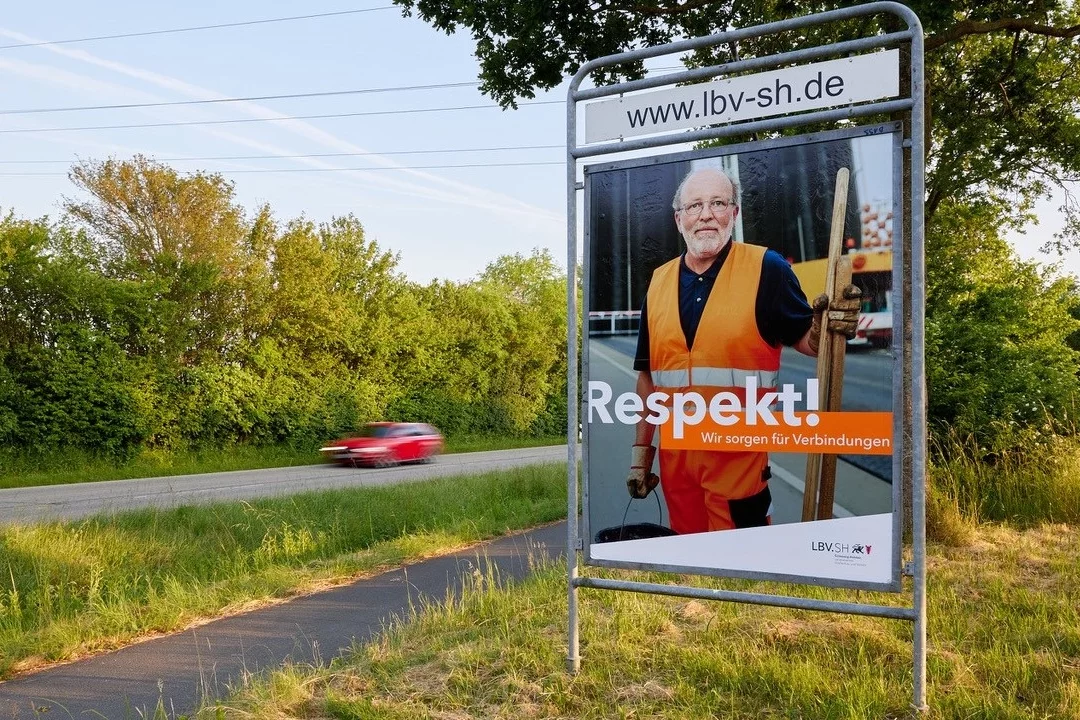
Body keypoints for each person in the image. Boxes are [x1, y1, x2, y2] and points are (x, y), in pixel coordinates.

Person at [626, 166, 861, 534]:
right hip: (677, 469)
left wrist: (824, 329)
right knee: (686, 559)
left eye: (718, 203)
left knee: (741, 563)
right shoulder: (659, 281)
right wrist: (641, 457)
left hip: (738, 468)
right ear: (679, 219)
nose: (706, 214)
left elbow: (808, 341)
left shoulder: (767, 268)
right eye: (695, 206)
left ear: (733, 213)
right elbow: (647, 377)